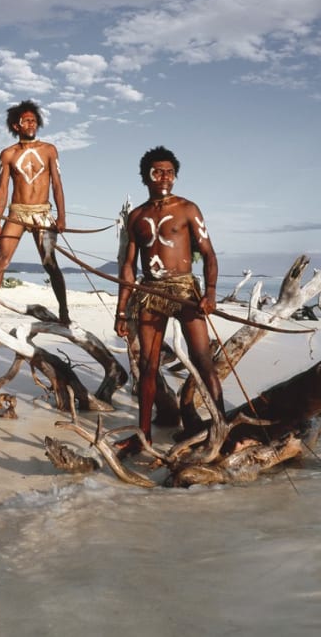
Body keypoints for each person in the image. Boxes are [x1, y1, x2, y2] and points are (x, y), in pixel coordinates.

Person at [114, 146, 224, 446]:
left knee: (203, 361)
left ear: (175, 177)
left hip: (186, 290)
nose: (164, 177)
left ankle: (220, 431)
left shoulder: (188, 209)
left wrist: (211, 293)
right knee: (147, 368)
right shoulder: (137, 216)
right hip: (150, 292)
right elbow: (128, 267)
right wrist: (121, 310)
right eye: (157, 171)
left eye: (169, 172)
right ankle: (144, 435)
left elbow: (209, 255)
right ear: (145, 177)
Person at [0, 100, 71, 324]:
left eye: (34, 120)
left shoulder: (49, 150)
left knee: (50, 264)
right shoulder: (8, 154)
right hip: (17, 212)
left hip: (42, 212)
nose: (31, 124)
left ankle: (64, 313)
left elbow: (57, 185)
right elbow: (2, 189)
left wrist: (62, 217)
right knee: (1, 259)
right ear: (17, 125)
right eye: (27, 121)